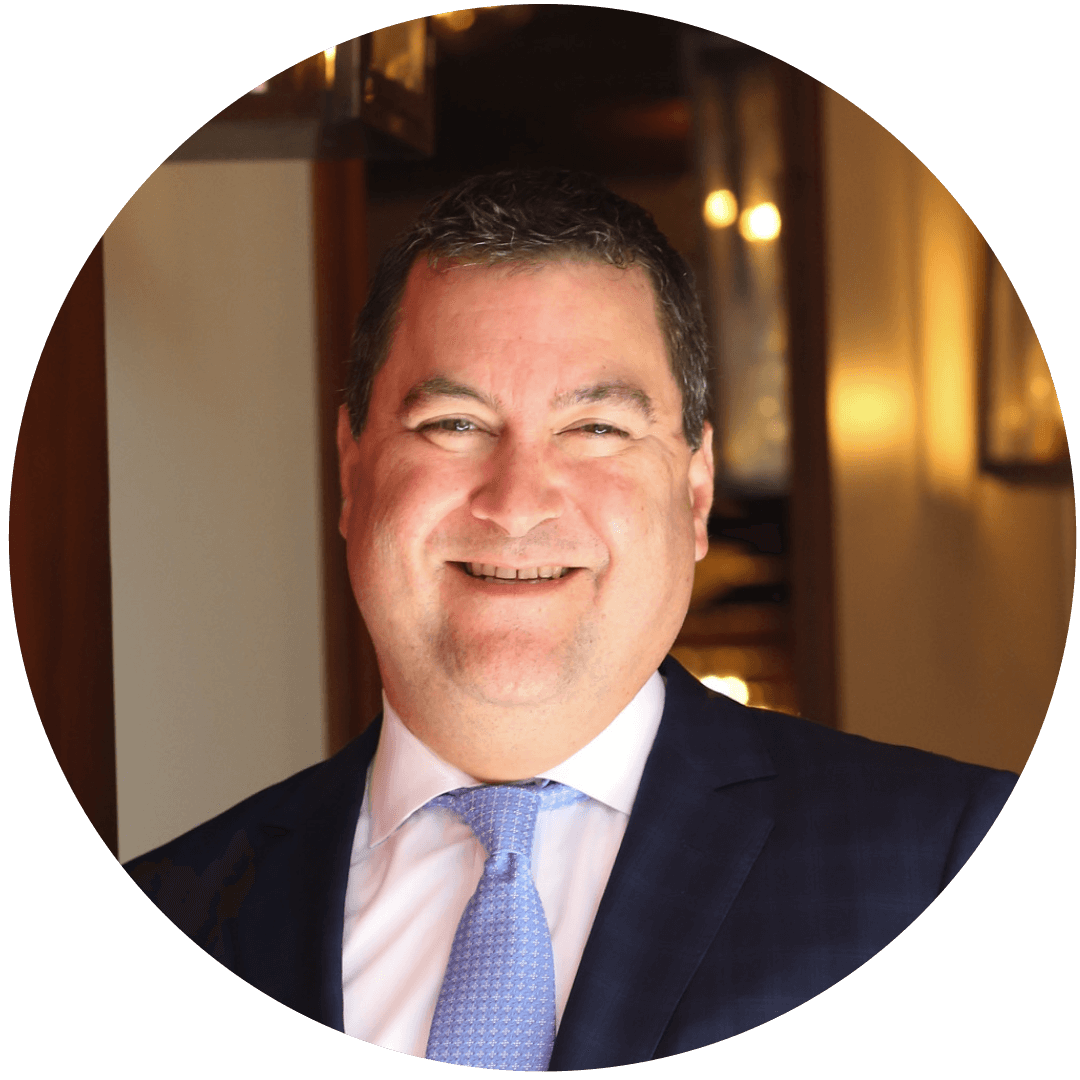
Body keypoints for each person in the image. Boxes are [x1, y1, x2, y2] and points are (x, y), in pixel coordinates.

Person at [124, 168, 1016, 1068]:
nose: (516, 504)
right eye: (453, 423)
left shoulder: (942, 859)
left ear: (695, 489)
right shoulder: (180, 905)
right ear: (354, 473)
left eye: (596, 429)